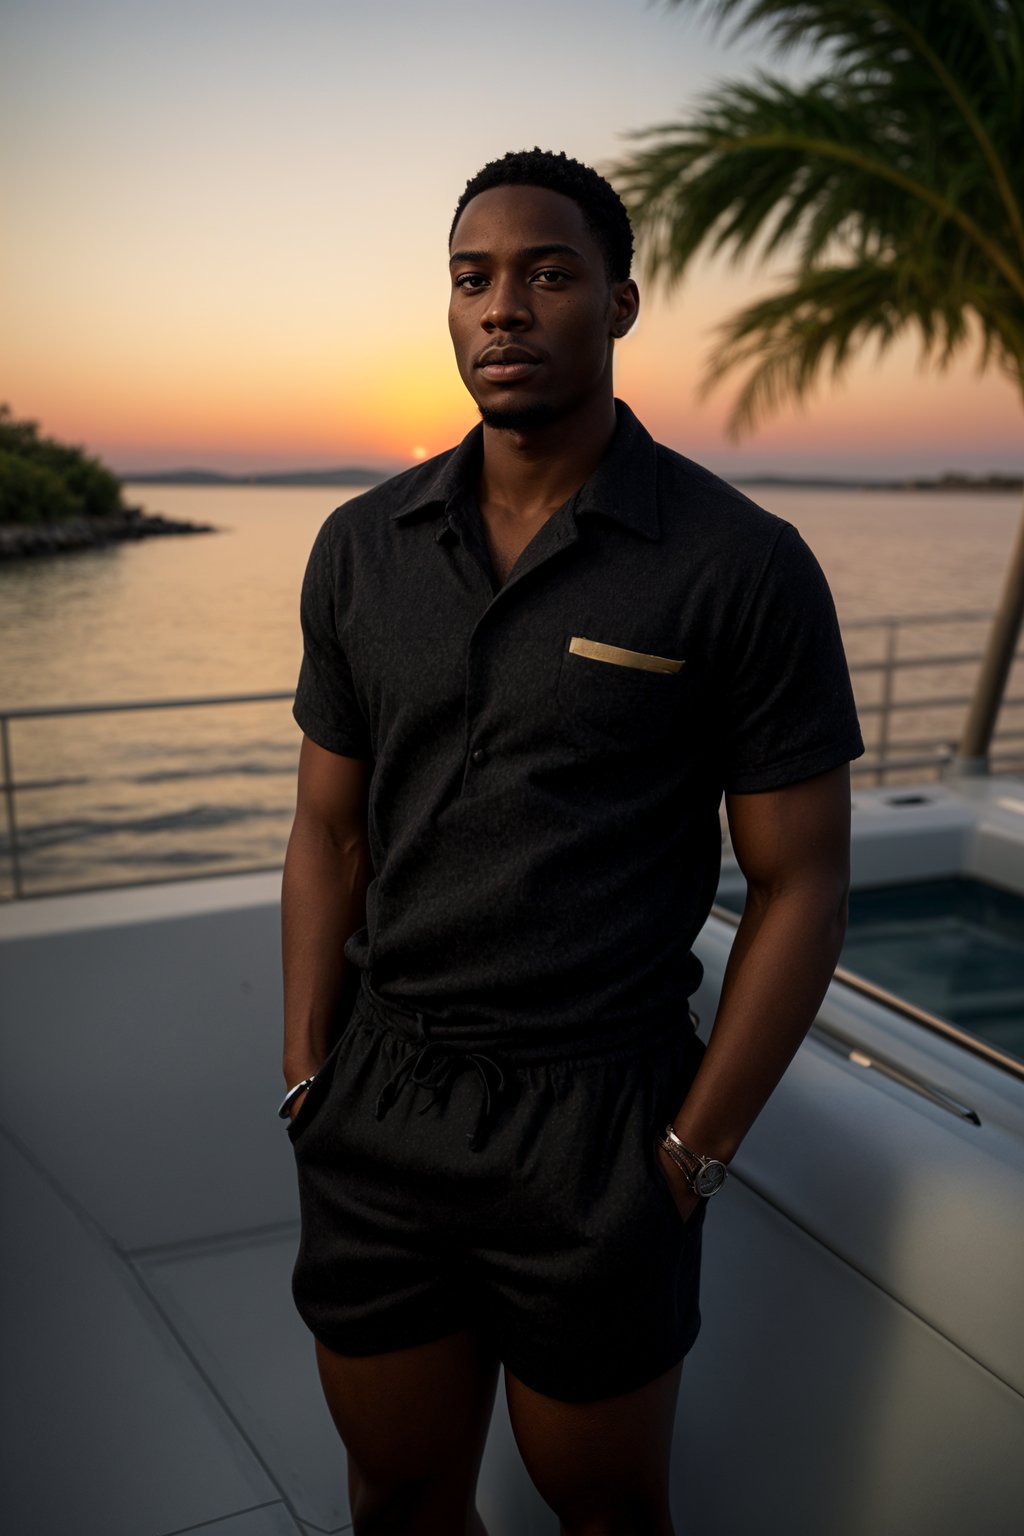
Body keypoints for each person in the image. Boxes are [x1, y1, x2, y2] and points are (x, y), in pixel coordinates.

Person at [280, 147, 863, 1536]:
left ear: (622, 301)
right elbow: (325, 827)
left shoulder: (738, 563)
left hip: (603, 1119)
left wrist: (692, 1151)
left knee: (602, 1506)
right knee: (398, 1495)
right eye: (473, 279)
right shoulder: (361, 546)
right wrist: (308, 1073)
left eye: (548, 274)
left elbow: (801, 882)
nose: (504, 309)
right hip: (388, 1103)